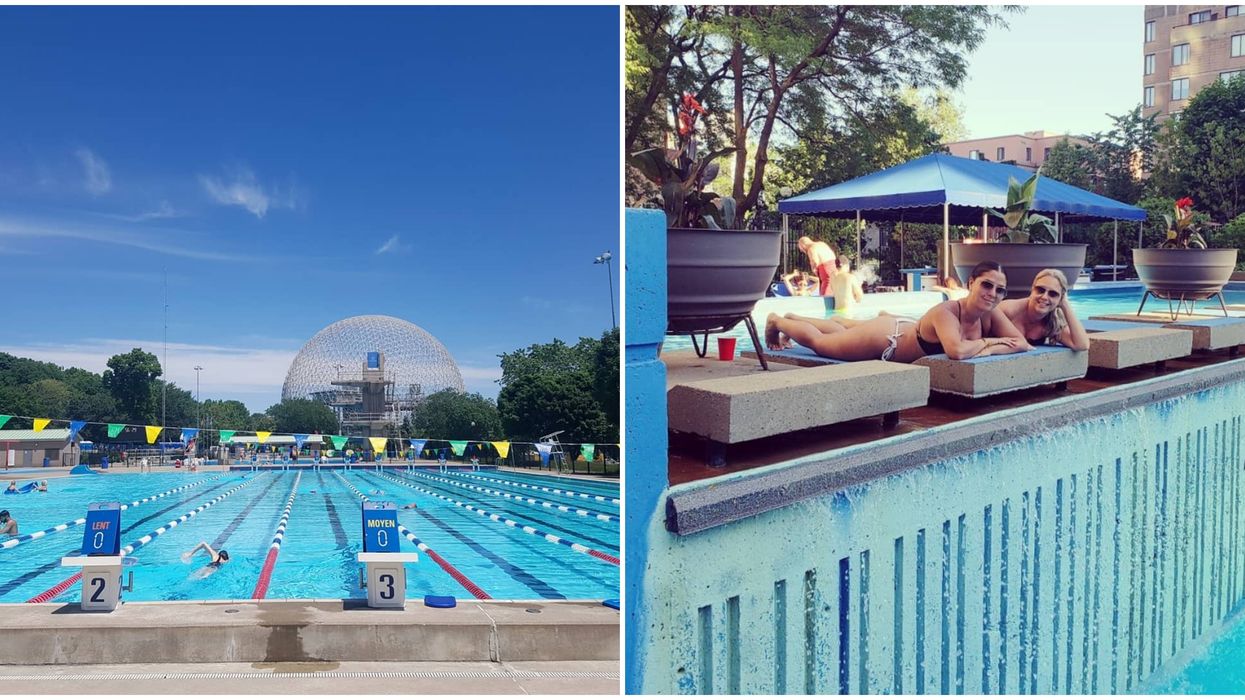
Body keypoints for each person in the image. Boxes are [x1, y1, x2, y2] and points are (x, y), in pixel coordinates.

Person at [765, 261, 1031, 363]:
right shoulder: (946, 312)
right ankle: (778, 321)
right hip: (885, 339)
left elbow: (1022, 344)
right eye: (987, 285)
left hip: (902, 327)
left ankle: (798, 318)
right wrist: (988, 342)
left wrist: (990, 347)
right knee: (821, 343)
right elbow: (957, 351)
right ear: (971, 283)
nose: (993, 294)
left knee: (841, 330)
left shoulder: (990, 312)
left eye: (1000, 291)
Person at [997, 269, 1090, 351]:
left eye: (1053, 294)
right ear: (1032, 290)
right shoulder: (1009, 310)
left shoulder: (1053, 323)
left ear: (1060, 299)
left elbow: (1082, 345)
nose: (1045, 297)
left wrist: (1065, 305)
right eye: (1040, 290)